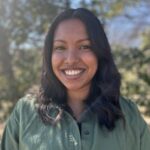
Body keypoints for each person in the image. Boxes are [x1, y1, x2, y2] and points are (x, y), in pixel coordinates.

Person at [1, 8, 150, 150]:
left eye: (84, 46)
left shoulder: (128, 115)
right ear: (48, 55)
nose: (71, 59)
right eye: (60, 47)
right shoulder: (24, 113)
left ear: (100, 52)